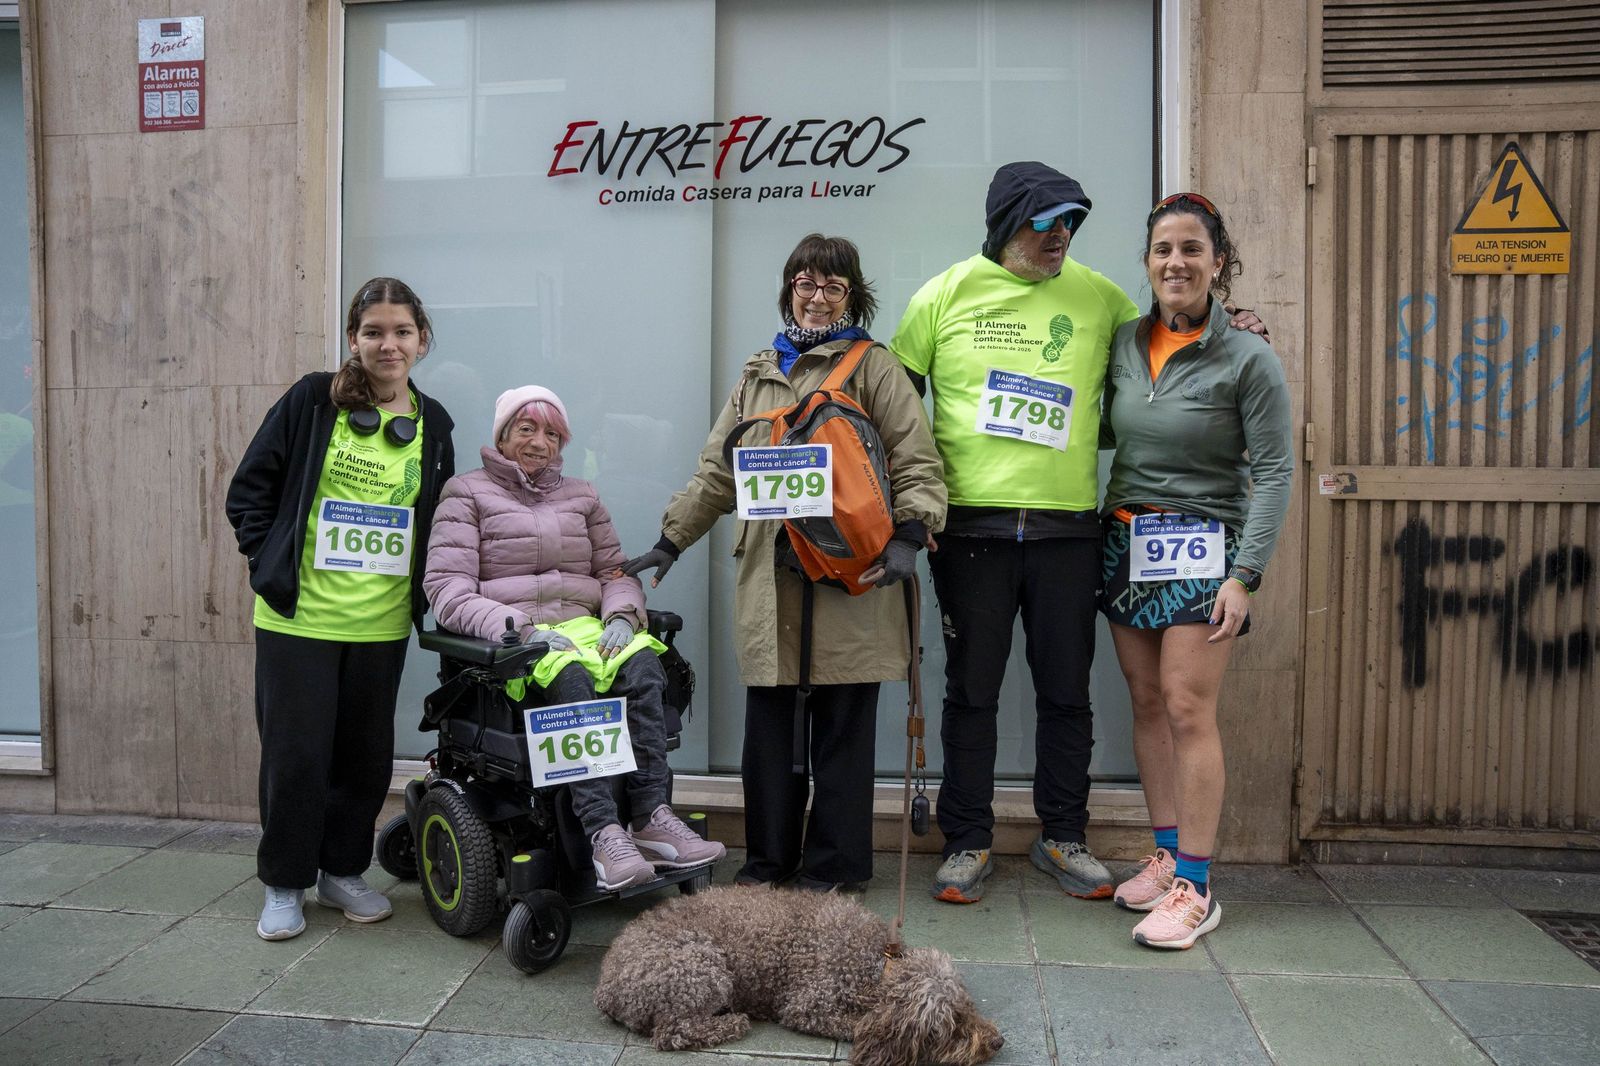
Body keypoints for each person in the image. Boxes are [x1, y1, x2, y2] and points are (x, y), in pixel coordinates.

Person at [891, 162, 1264, 905]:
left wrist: (1237, 327)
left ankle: (1063, 835)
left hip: (1068, 531)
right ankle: (968, 840)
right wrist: (912, 512)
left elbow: (1170, 350)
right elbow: (897, 412)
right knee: (973, 691)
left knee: (1068, 692)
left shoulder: (1100, 297)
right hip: (971, 531)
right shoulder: (943, 294)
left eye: (1070, 222)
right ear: (1006, 225)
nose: (1061, 235)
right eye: (1045, 221)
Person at [624, 234, 945, 891]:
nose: (818, 296)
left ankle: (836, 866)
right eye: (806, 283)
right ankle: (769, 861)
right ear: (789, 290)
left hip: (851, 573)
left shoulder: (874, 367)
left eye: (833, 286)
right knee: (769, 737)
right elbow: (719, 469)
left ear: (852, 295)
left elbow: (916, 456)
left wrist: (912, 534)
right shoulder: (757, 373)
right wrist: (670, 541)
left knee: (842, 732)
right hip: (771, 574)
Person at [423, 385, 725, 891]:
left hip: (586, 628)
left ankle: (651, 817)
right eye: (526, 429)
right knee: (573, 677)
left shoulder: (583, 495)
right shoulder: (467, 493)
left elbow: (613, 572)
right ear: (502, 435)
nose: (540, 442)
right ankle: (603, 833)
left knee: (646, 665)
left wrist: (623, 617)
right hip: (516, 642)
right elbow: (447, 589)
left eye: (552, 433)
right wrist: (519, 631)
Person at [226, 277, 456, 941]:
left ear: (421, 340)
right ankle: (284, 882)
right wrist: (268, 562)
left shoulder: (433, 422)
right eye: (374, 332)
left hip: (380, 624)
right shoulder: (311, 400)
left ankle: (342, 871)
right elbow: (251, 489)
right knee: (296, 757)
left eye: (402, 332)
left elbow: (438, 516)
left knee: (362, 758)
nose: (389, 344)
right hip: (300, 620)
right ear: (354, 339)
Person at [1100, 193, 1292, 948]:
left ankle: (1198, 887)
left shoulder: (1249, 354)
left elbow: (1274, 473)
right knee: (1146, 703)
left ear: (1218, 262)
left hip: (1207, 550)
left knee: (1187, 708)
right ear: (1147, 262)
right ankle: (1168, 852)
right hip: (1125, 541)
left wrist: (1246, 574)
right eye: (1161, 250)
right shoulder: (1122, 342)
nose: (1175, 263)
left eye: (1190, 249)